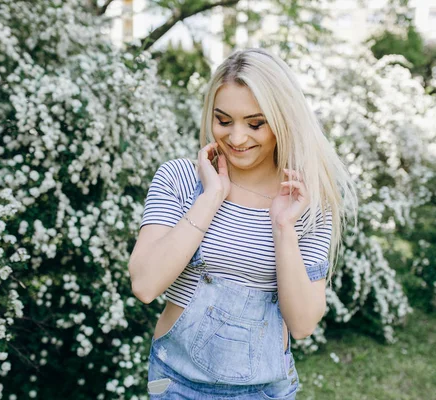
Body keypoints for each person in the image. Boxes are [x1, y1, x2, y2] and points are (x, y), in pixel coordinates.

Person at [129, 48, 358, 399]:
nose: (236, 139)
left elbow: (303, 323)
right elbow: (145, 285)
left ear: (282, 120)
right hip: (174, 383)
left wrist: (283, 227)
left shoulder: (306, 201)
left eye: (255, 124)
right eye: (223, 121)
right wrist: (210, 197)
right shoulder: (178, 179)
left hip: (265, 391)